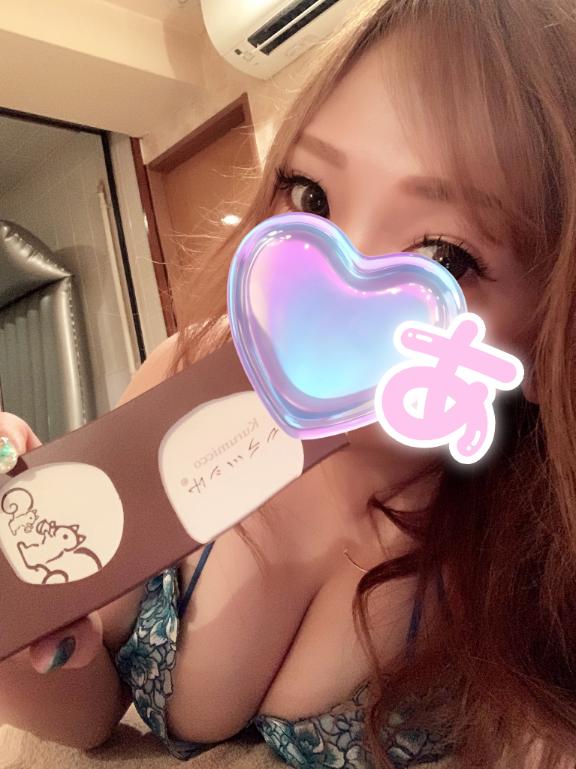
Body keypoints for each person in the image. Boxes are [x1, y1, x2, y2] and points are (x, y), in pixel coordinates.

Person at [1, 0, 576, 766]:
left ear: (550, 329)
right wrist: (26, 623)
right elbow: (88, 717)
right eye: (311, 196)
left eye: (444, 257)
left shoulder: (535, 563)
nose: (328, 297)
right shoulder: (185, 374)